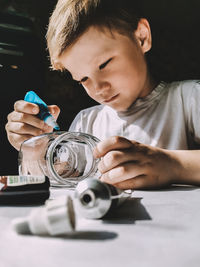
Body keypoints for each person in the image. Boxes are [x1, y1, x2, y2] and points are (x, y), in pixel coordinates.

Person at [5, 0, 200, 190]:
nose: (98, 88)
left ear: (142, 37)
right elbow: (56, 185)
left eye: (104, 64)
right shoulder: (85, 123)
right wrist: (36, 150)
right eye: (83, 79)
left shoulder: (189, 99)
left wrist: (173, 164)